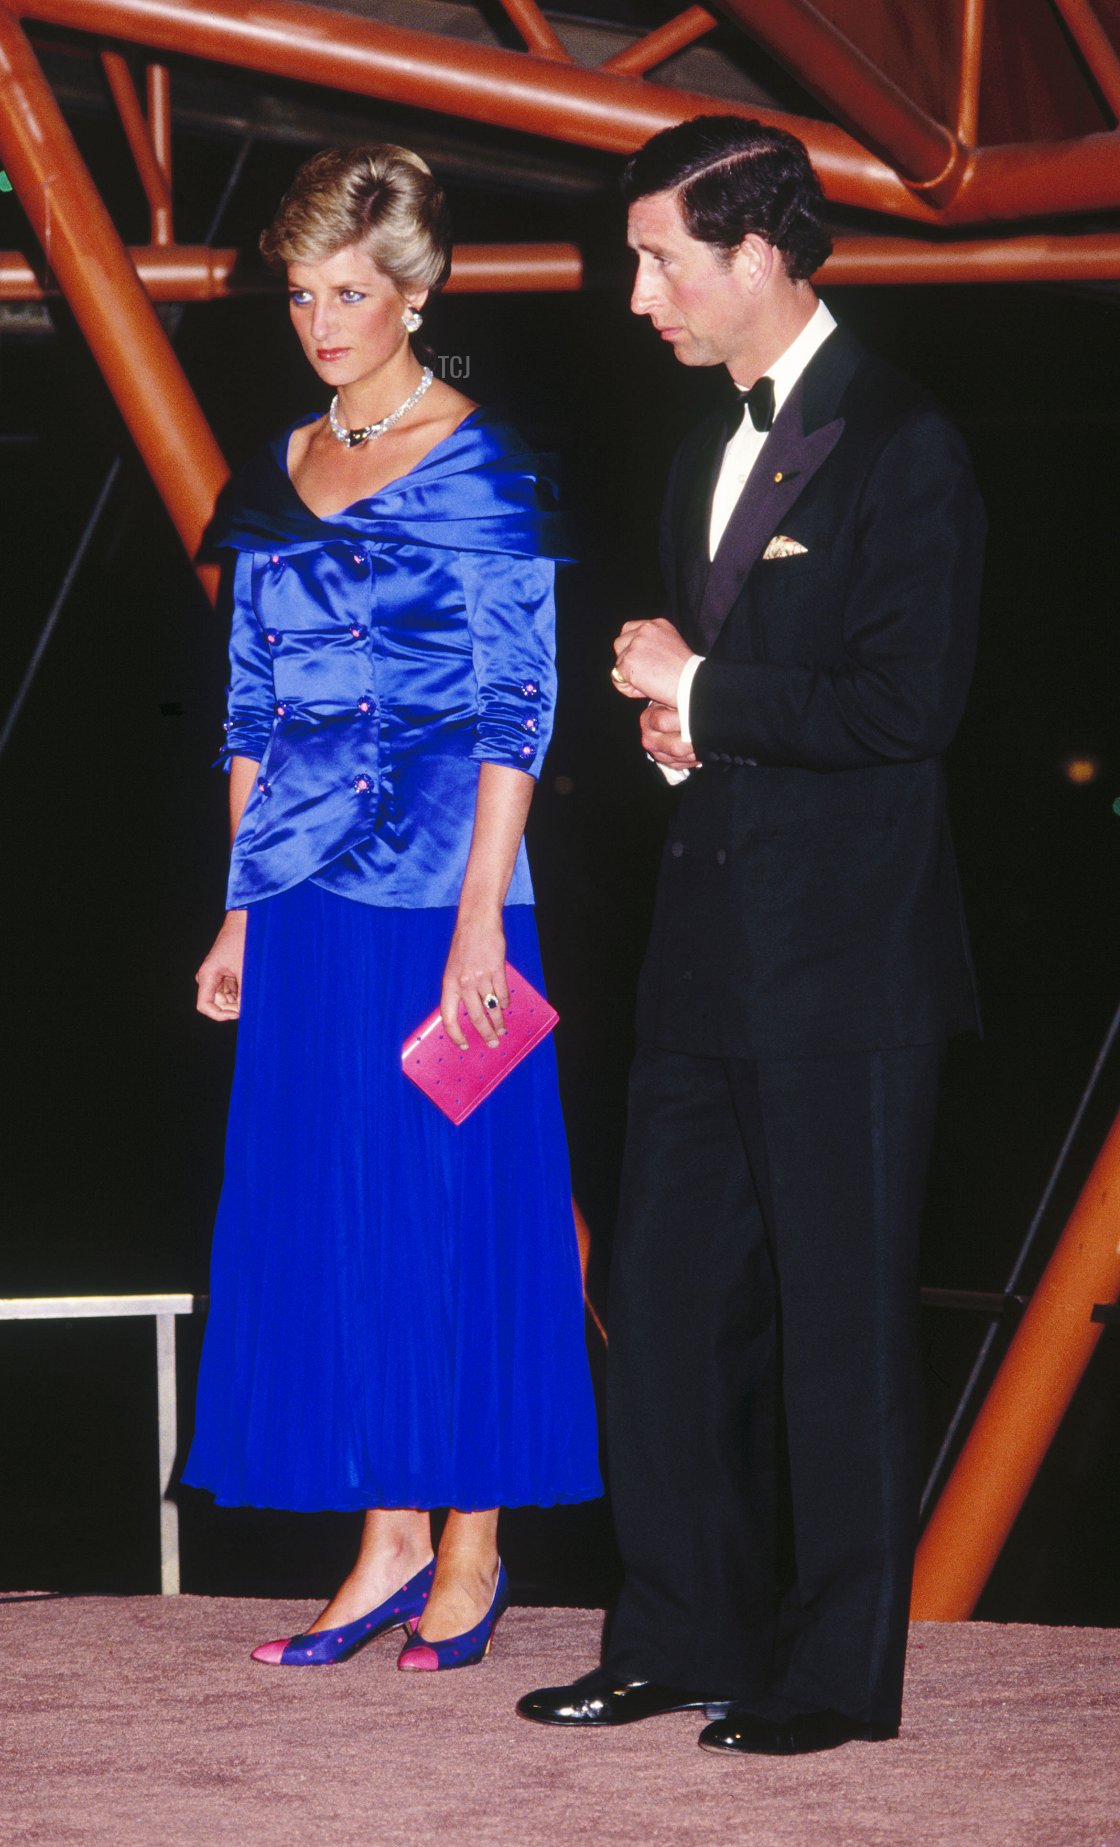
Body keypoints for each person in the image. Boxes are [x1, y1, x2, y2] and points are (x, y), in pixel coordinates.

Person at [519, 116, 984, 1752]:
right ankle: (673, 1632)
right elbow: (776, 707)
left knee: (838, 1329)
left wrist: (699, 688)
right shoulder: (699, 445)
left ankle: (835, 1679)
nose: (636, 289)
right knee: (658, 1303)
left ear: (764, 253)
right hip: (708, 951)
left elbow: (909, 702)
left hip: (847, 967)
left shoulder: (903, 440)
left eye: (661, 256)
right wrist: (690, 735)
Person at [183, 144, 601, 1671]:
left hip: (448, 898)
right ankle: (386, 1541)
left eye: (351, 293)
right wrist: (238, 915)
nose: (322, 321)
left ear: (418, 293)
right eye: (302, 293)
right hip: (303, 904)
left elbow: (520, 712)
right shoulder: (280, 462)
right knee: (333, 1217)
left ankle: (474, 1550)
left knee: (457, 1212)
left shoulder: (487, 466)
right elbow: (250, 710)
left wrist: (486, 920)